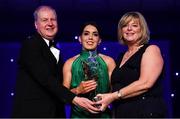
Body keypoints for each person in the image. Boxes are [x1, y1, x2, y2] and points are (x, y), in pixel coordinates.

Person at [12, 5, 100, 118]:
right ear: (36, 25)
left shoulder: (57, 51)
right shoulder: (31, 44)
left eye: (53, 19)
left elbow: (59, 86)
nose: (50, 23)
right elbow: (46, 79)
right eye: (44, 20)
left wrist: (78, 90)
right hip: (33, 113)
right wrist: (74, 97)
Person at [96, 12, 167, 118]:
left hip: (145, 113)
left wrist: (113, 96)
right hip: (122, 113)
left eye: (134, 25)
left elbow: (146, 83)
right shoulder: (121, 56)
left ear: (142, 30)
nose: (129, 29)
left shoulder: (151, 49)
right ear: (121, 31)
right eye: (125, 25)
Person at [63, 22, 116, 118]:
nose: (90, 37)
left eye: (95, 34)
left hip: (103, 115)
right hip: (78, 116)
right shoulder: (70, 63)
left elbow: (114, 92)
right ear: (80, 39)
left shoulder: (109, 62)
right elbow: (62, 95)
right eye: (86, 34)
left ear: (99, 40)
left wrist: (105, 98)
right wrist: (77, 90)